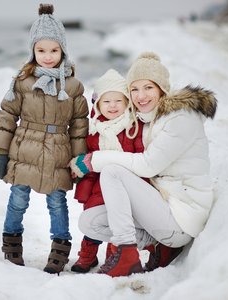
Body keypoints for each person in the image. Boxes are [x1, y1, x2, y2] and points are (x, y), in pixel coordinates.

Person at [70, 52, 217, 277]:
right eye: (134, 89)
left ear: (162, 89)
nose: (141, 96)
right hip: (161, 206)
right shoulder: (147, 118)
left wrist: (94, 160)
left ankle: (126, 254)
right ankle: (156, 245)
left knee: (111, 171)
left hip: (181, 217)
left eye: (148, 87)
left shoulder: (181, 117)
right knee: (90, 222)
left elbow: (149, 165)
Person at [0, 3, 89, 274]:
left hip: (58, 150)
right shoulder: (22, 81)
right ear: (33, 50)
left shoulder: (72, 86)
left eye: (54, 50)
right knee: (18, 197)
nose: (47, 56)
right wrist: (1, 152)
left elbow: (80, 125)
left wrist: (79, 159)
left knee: (57, 201)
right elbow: (7, 115)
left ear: (63, 50)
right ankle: (11, 243)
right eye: (41, 50)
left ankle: (59, 249)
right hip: (24, 149)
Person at [69, 69, 146, 273]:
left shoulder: (133, 127)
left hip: (125, 186)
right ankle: (87, 255)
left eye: (118, 101)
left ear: (127, 103)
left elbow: (140, 156)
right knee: (93, 217)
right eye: (106, 101)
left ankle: (115, 254)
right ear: (97, 105)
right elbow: (91, 161)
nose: (112, 106)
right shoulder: (94, 131)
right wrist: (83, 176)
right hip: (99, 188)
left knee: (117, 220)